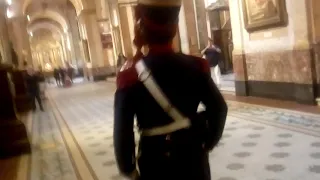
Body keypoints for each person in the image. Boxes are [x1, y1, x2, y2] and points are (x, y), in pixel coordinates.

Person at [113, 1, 228, 179]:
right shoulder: (196, 66)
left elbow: (123, 133)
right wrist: (208, 143)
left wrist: (129, 169)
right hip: (193, 157)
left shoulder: (129, 78)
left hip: (155, 162)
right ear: (174, 27)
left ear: (141, 28)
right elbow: (219, 108)